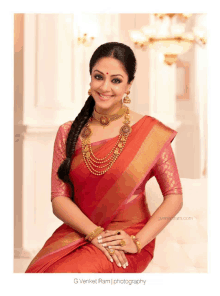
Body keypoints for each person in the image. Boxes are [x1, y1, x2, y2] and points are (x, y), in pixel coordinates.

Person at [25, 42, 183, 273]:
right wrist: (94, 233)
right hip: (79, 231)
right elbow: (59, 199)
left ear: (129, 85)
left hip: (124, 240)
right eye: (99, 77)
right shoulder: (69, 132)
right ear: (90, 79)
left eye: (116, 80)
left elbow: (174, 197)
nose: (105, 87)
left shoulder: (151, 133)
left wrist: (138, 242)